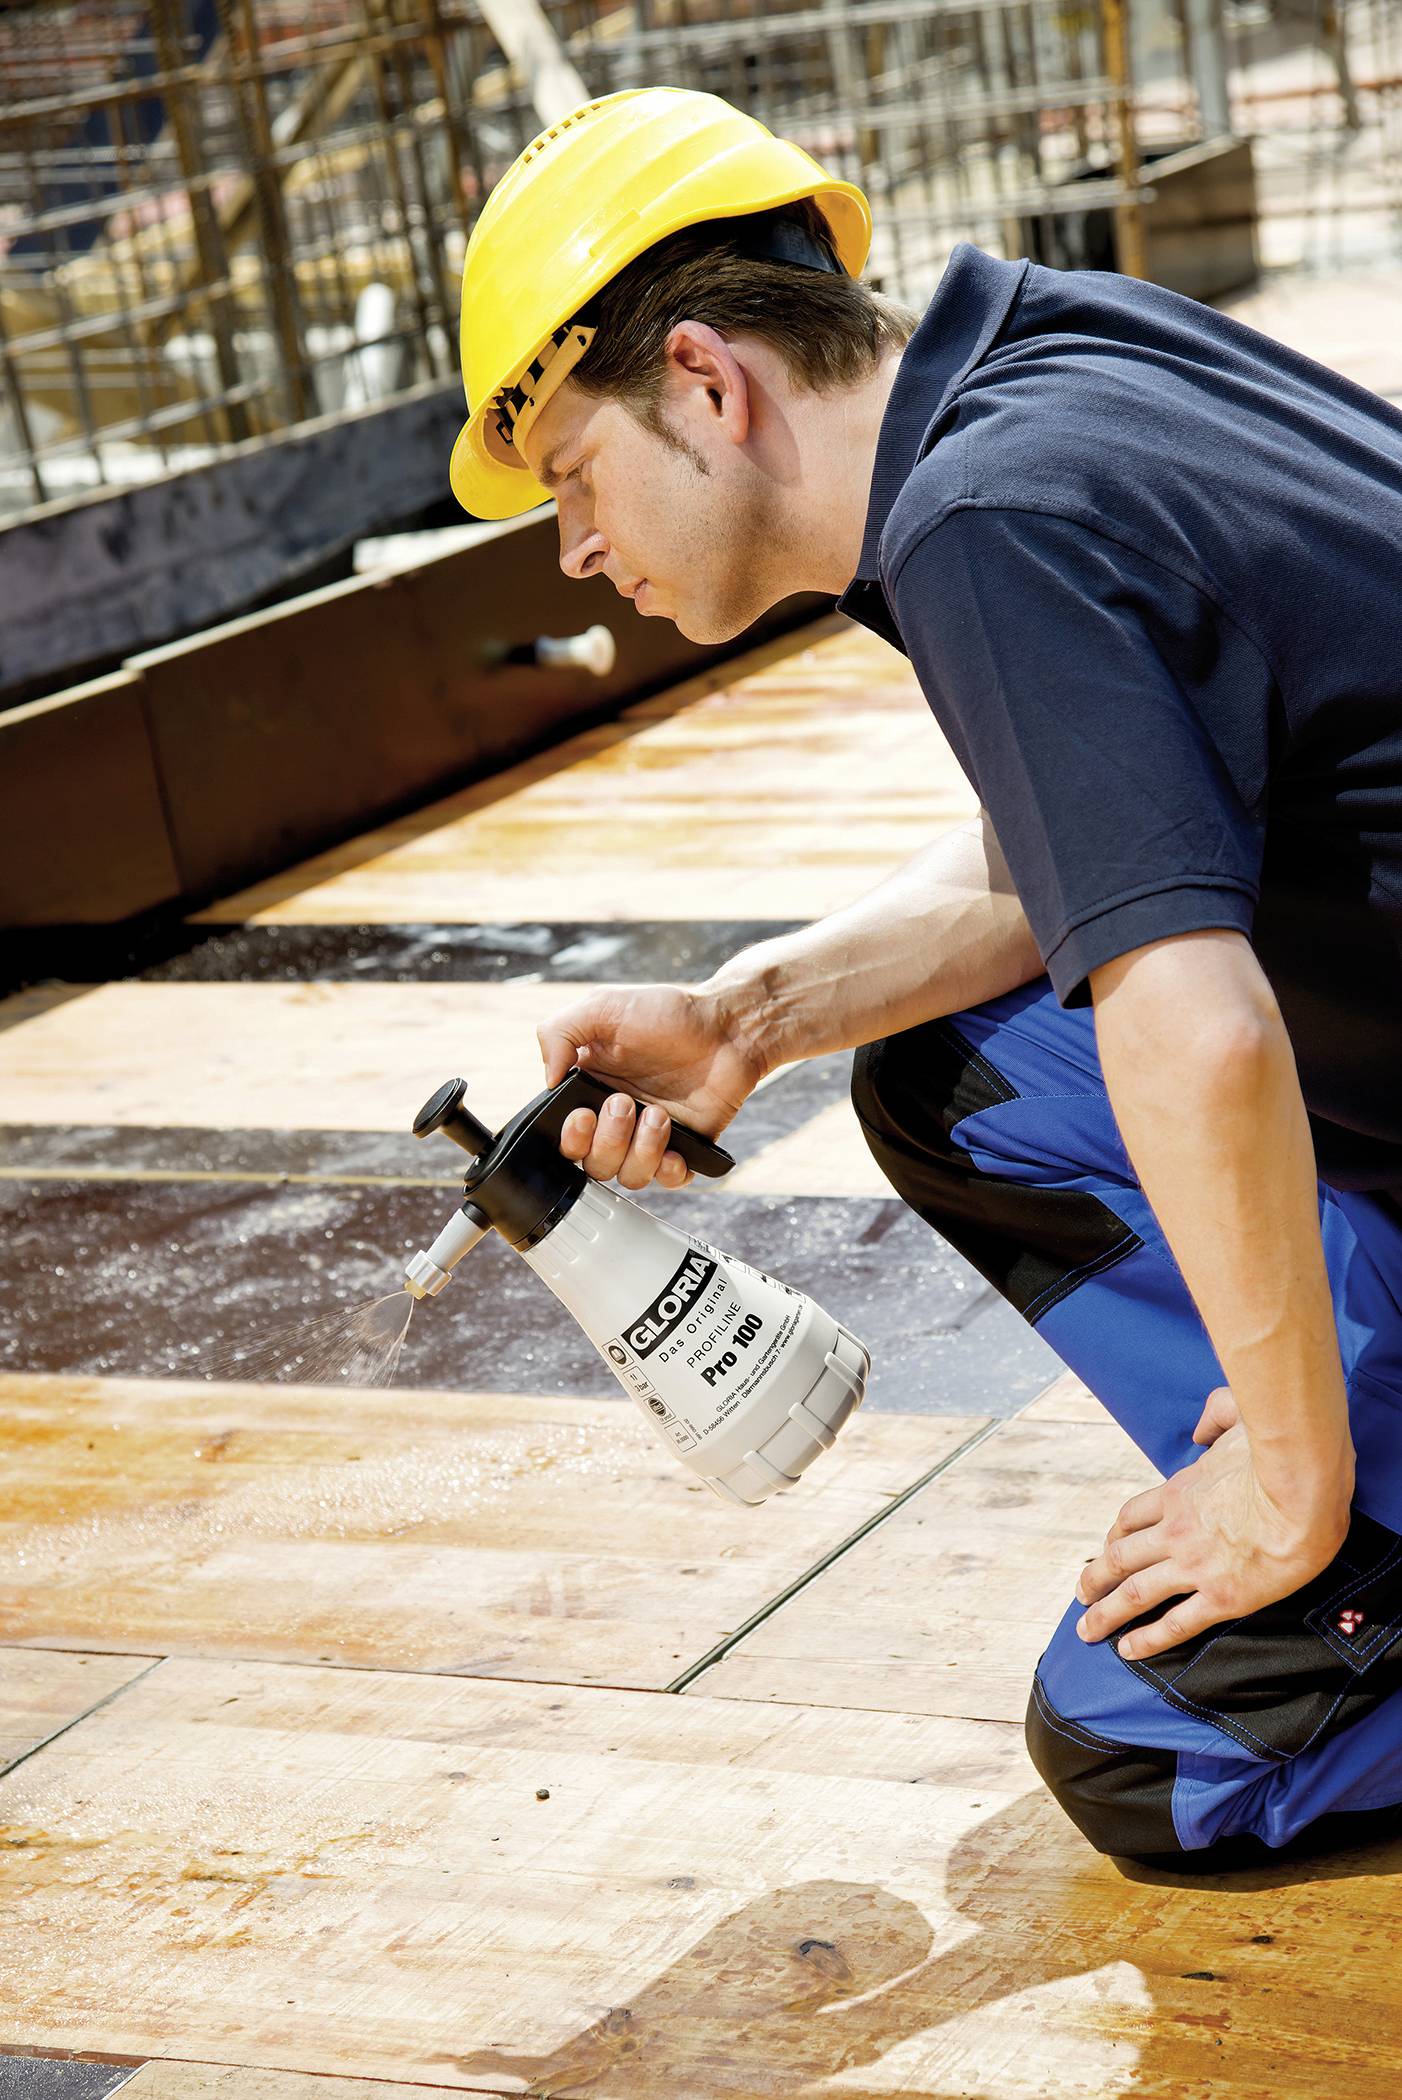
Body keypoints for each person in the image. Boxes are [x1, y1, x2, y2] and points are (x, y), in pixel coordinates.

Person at [448, 86, 1402, 1866]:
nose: (571, 547)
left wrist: (1288, 1481)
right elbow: (1082, 838)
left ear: (706, 383)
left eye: (572, 475)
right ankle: (1347, 1429)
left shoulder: (984, 520)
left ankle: (1344, 1529)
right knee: (952, 1074)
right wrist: (743, 1023)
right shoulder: (1047, 357)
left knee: (1145, 1755)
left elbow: (1197, 1035)